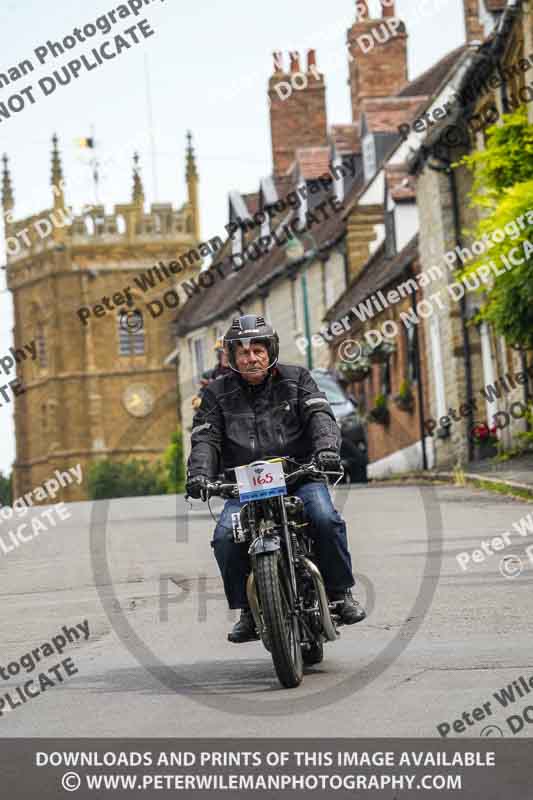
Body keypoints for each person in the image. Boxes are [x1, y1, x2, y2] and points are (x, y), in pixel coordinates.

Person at [186, 315, 366, 643]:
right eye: (243, 352)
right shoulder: (216, 394)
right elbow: (206, 438)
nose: (251, 357)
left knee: (325, 519)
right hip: (243, 486)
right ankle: (247, 611)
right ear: (232, 357)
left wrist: (326, 450)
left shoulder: (297, 379)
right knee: (225, 538)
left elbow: (320, 417)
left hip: (299, 475)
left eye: (257, 350)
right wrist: (199, 474)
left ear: (270, 351)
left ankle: (341, 594)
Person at [191, 339, 231, 410]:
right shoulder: (209, 375)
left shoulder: (241, 373)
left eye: (228, 354)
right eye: (223, 354)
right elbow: (201, 396)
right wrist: (199, 402)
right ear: (219, 356)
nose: (226, 357)